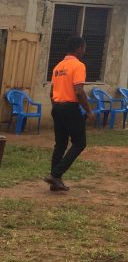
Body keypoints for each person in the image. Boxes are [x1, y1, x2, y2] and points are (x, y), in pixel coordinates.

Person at [44, 36, 94, 192]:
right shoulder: (78, 66)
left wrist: (58, 107)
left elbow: (52, 92)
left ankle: (55, 182)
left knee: (60, 144)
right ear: (78, 48)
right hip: (69, 108)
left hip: (57, 107)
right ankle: (55, 175)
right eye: (84, 48)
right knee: (80, 143)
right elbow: (79, 91)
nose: (84, 51)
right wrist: (89, 111)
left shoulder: (58, 66)